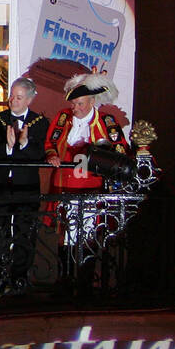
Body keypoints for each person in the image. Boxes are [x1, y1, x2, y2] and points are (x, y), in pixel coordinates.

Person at [45, 72, 132, 284]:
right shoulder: (63, 117)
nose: (75, 108)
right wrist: (52, 155)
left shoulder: (106, 121)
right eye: (73, 103)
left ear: (92, 101)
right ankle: (64, 281)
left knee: (90, 235)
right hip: (65, 185)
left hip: (92, 188)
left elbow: (121, 150)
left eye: (80, 103)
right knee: (65, 236)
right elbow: (50, 143)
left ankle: (86, 283)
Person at [0, 77, 49, 288]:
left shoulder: (40, 122)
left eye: (19, 97)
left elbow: (41, 153)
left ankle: (20, 277)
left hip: (26, 187)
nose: (13, 100)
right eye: (11, 96)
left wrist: (23, 144)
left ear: (30, 99)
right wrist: (7, 147)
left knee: (25, 232)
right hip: (1, 187)